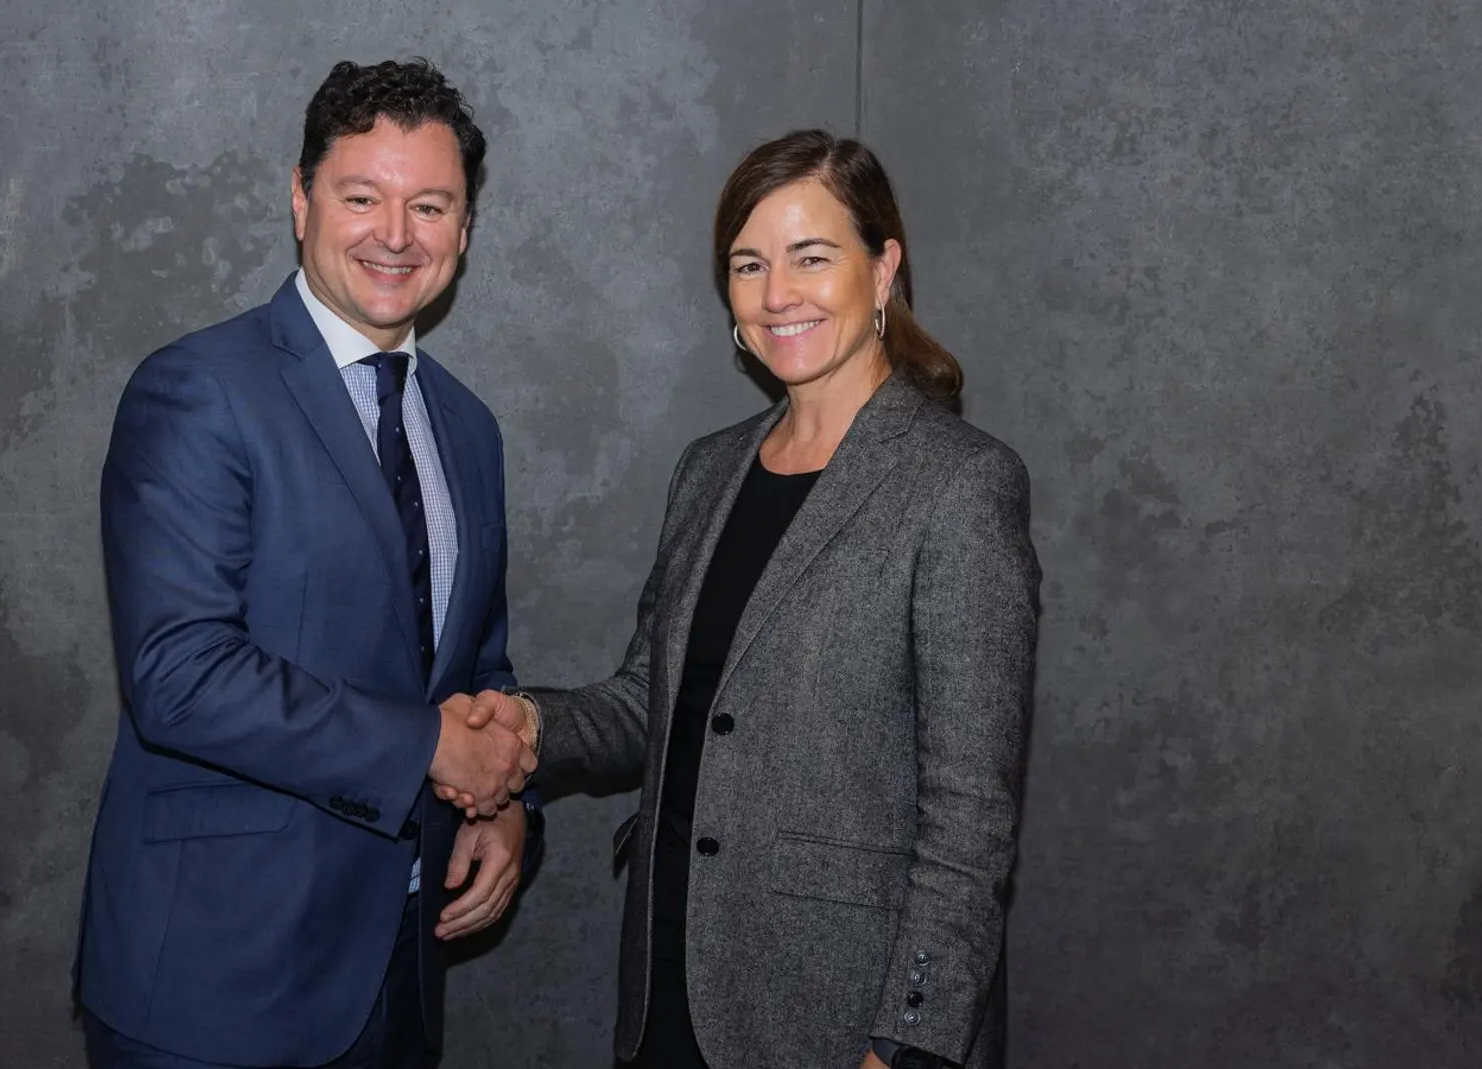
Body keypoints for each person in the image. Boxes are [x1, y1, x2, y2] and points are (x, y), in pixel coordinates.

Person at [459, 130, 1040, 1069]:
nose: (778, 295)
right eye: (749, 264)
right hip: (669, 988)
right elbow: (652, 701)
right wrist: (523, 727)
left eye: (813, 257)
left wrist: (911, 1042)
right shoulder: (710, 470)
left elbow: (970, 817)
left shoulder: (960, 485)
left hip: (845, 1017)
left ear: (883, 267)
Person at [75, 59, 540, 1069]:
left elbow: (472, 669)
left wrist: (501, 805)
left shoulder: (468, 429)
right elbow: (179, 676)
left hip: (397, 969)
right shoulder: (196, 390)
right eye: (360, 196)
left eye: (429, 204)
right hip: (218, 980)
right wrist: (428, 749)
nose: (394, 234)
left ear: (464, 228)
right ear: (300, 199)